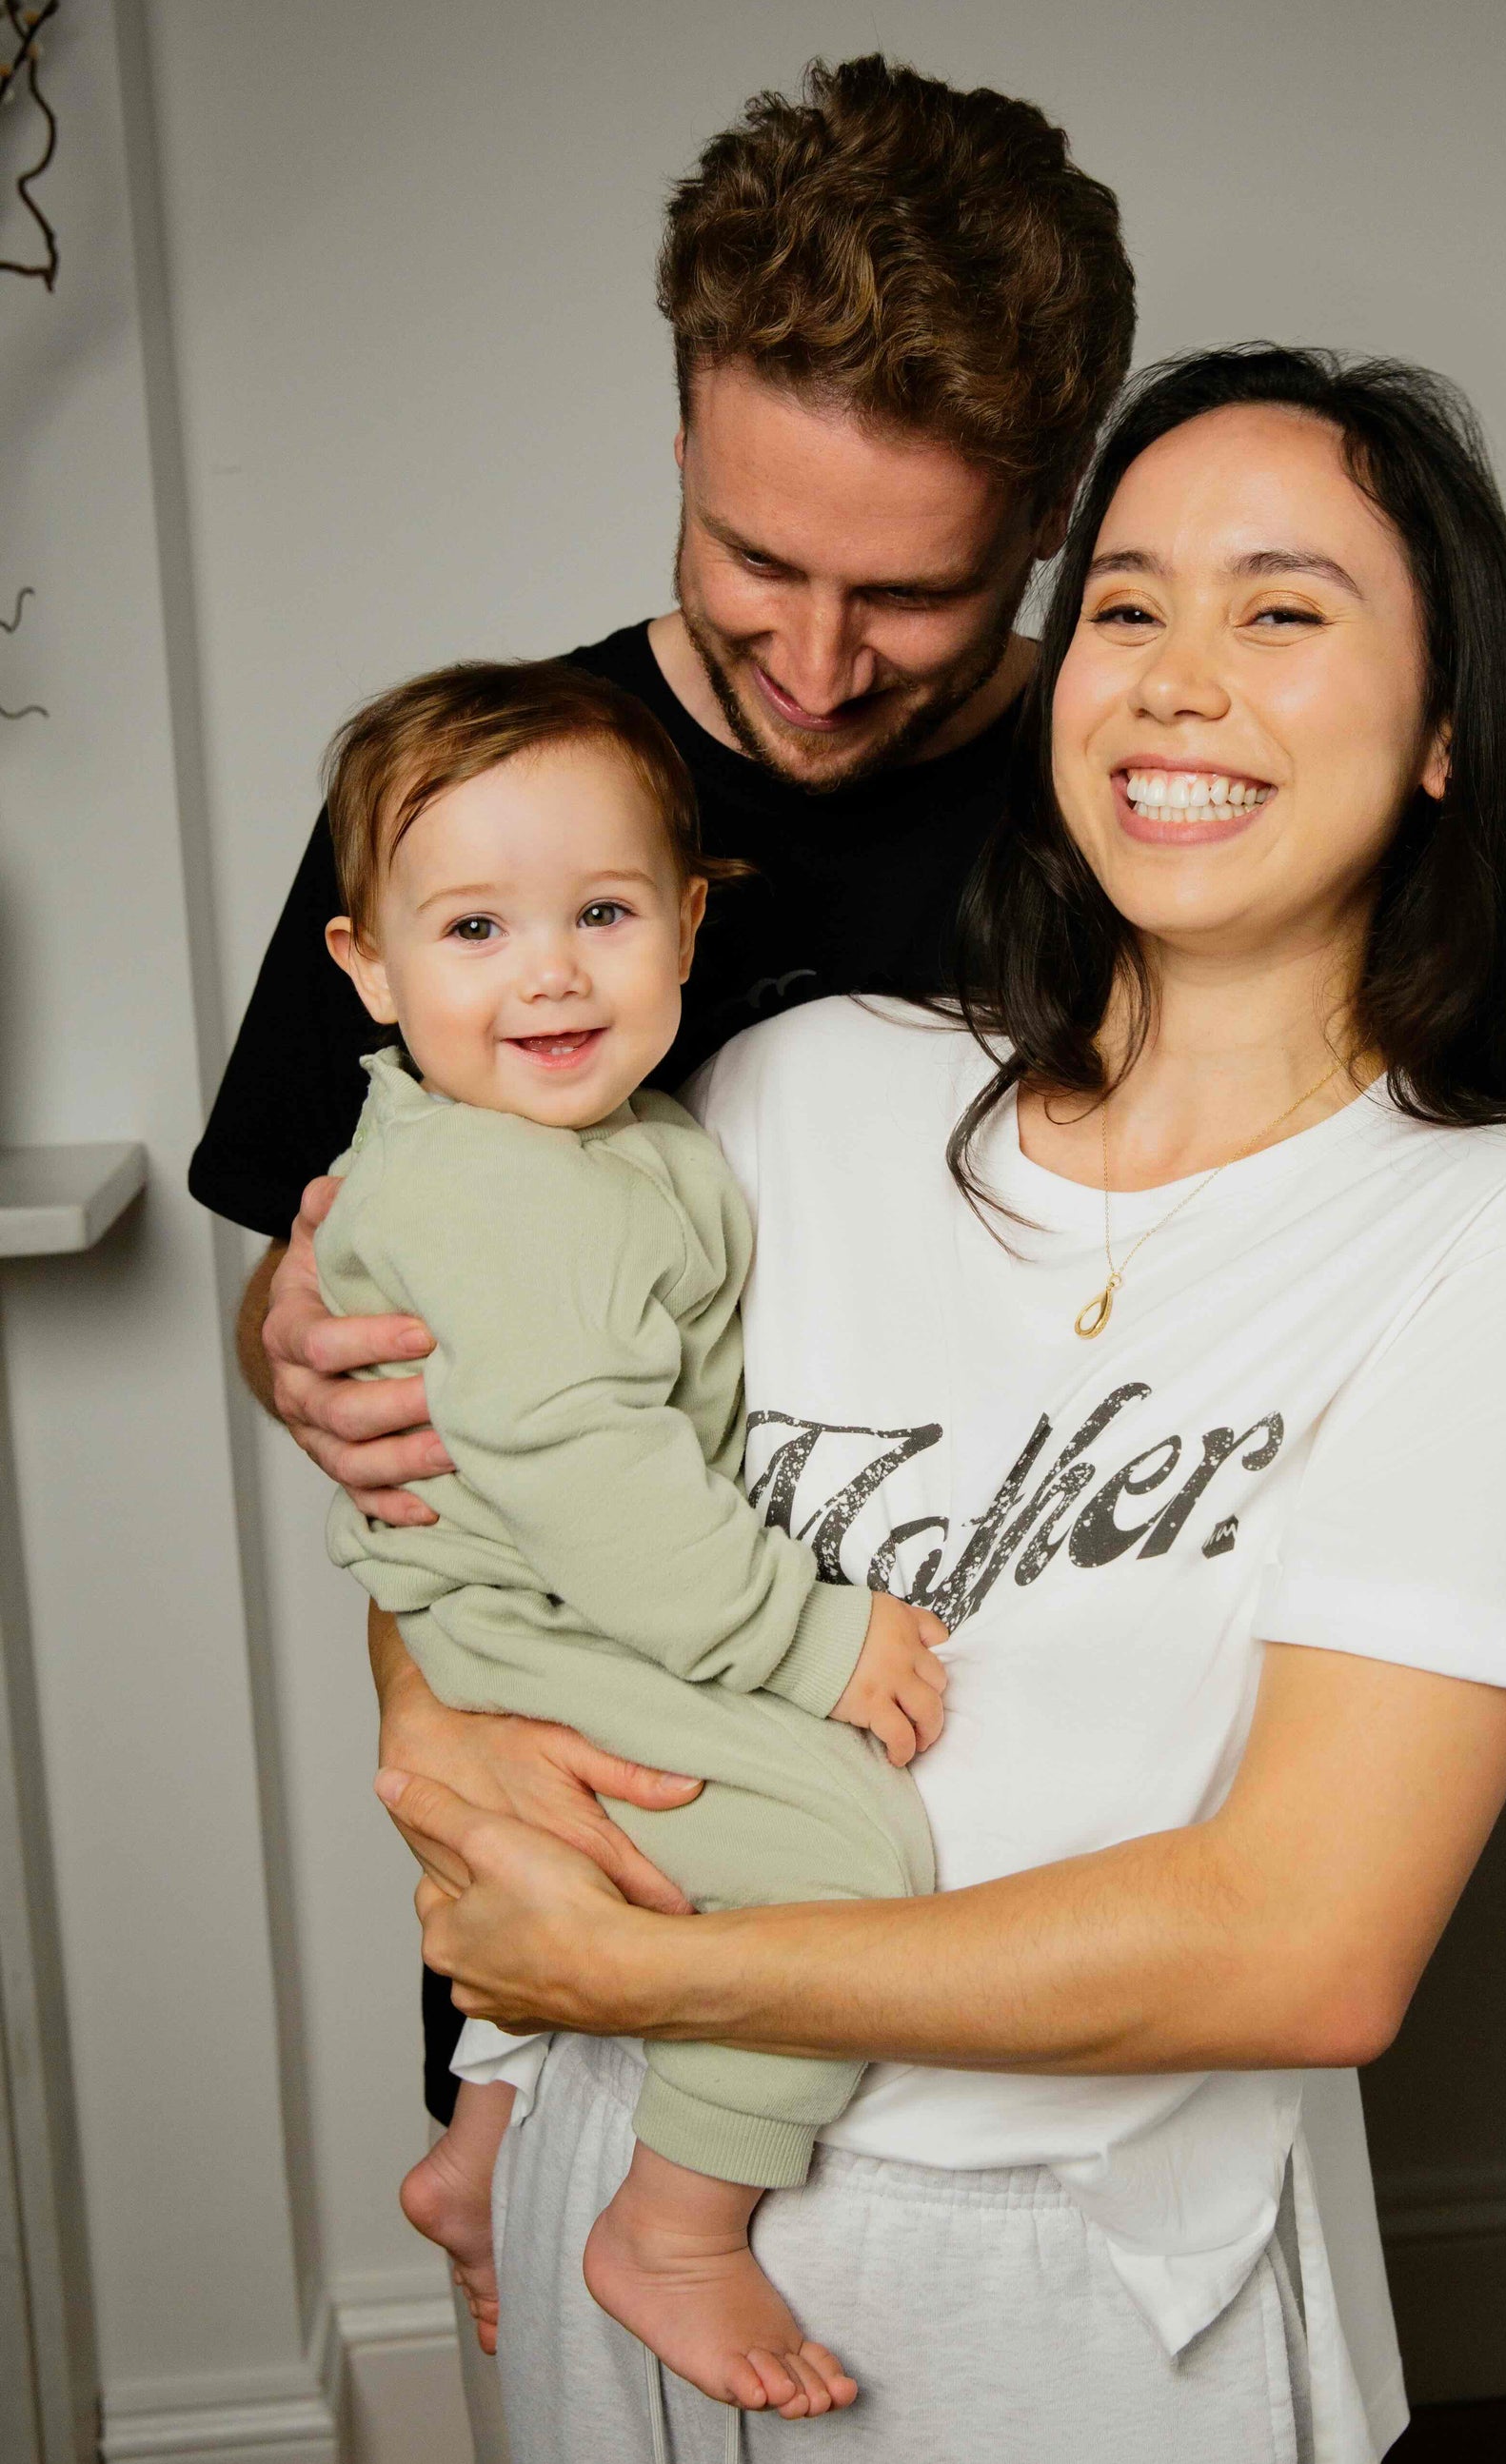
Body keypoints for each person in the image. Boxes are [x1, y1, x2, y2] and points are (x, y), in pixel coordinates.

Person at [366, 345, 1506, 2461]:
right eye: (1123, 605)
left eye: (1281, 610)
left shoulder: (1505, 1225)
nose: (1178, 677)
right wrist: (433, 1729)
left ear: (1454, 727)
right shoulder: (799, 1084)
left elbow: (1299, 1946)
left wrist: (646, 1970)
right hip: (604, 2181)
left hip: (1067, 2284)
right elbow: (499, 1446)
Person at [187, 56, 1134, 2449]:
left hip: (1021, 1907)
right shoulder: (482, 797)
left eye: (909, 588)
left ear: (1044, 517)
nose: (814, 660)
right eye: (751, 559)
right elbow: (307, 1297)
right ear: (686, 429)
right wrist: (298, 1363)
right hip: (601, 1799)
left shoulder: (1140, 808)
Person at [312, 660, 948, 2414]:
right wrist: (812, 1642)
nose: (547, 970)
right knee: (844, 1847)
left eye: (599, 911)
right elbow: (590, 1468)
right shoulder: (507, 1184)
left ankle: (480, 2139)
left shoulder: (574, 1136)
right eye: (472, 929)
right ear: (365, 966)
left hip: (521, 1593)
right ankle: (671, 2224)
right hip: (536, 1610)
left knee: (591, 1847)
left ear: (686, 921)